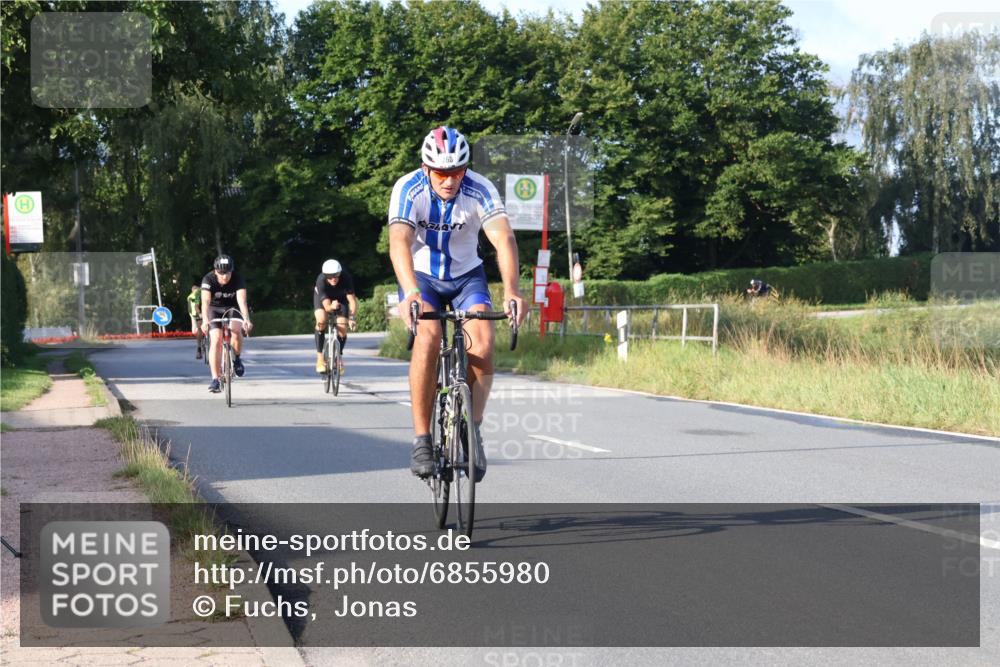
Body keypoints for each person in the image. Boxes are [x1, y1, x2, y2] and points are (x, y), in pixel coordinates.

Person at [387, 125, 527, 481]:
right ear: (425, 168)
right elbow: (399, 242)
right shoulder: (407, 188)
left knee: (483, 343)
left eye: (457, 172)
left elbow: (504, 238)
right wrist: (410, 293)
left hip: (467, 276)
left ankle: (472, 428)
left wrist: (512, 290)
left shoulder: (480, 189)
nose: (449, 181)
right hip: (422, 280)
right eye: (441, 173)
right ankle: (421, 439)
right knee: (429, 338)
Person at [200, 255, 253, 393]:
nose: (224, 276)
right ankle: (215, 379)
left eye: (228, 272)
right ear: (215, 271)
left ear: (232, 271)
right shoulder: (208, 279)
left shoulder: (237, 278)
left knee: (236, 329)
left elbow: (242, 300)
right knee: (216, 339)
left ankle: (237, 359)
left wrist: (246, 319)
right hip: (214, 309)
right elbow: (205, 302)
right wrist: (205, 320)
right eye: (221, 273)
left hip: (232, 308)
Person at [313, 259, 358, 373]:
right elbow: (327, 307)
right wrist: (331, 307)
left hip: (340, 299)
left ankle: (338, 357)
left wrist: (352, 318)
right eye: (330, 276)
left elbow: (352, 301)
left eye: (336, 276)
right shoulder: (321, 280)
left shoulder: (346, 278)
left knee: (342, 328)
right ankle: (320, 358)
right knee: (321, 320)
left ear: (340, 273)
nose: (333, 279)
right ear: (325, 276)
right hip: (323, 300)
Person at [187, 284, 204, 359]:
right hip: (199, 310)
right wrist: (199, 313)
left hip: (211, 309)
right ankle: (199, 347)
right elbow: (196, 306)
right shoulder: (198, 293)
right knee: (199, 326)